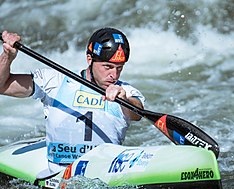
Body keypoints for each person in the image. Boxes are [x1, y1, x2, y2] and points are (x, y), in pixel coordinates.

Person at [0, 28, 145, 175]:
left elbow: (137, 112)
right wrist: (7, 56)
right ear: (90, 59)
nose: (113, 75)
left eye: (119, 68)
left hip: (104, 179)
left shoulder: (125, 91)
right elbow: (2, 85)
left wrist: (123, 99)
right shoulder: (55, 81)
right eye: (107, 67)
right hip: (57, 182)